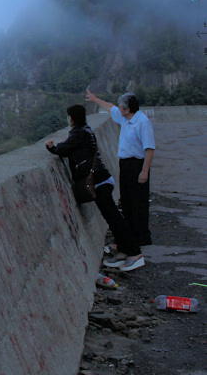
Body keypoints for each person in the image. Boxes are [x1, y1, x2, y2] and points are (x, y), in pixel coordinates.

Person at [46, 104, 144, 271]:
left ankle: (135, 253)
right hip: (101, 179)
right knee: (111, 218)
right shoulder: (86, 129)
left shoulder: (78, 132)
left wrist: (50, 146)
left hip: (98, 180)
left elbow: (61, 150)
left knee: (115, 218)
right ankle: (123, 252)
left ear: (70, 118)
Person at [85, 89, 155, 248]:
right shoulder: (125, 119)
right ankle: (130, 235)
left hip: (137, 165)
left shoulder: (142, 122)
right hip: (125, 164)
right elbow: (110, 107)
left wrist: (144, 171)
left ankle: (142, 236)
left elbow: (149, 149)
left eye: (121, 107)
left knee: (138, 201)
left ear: (127, 109)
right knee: (127, 200)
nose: (118, 109)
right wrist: (96, 99)